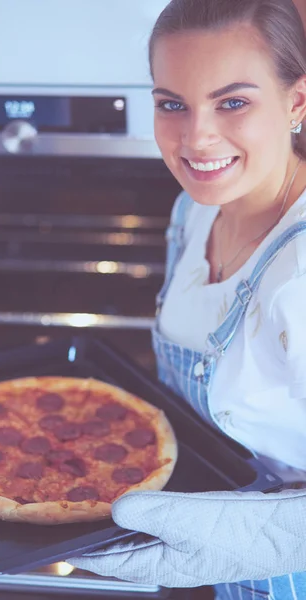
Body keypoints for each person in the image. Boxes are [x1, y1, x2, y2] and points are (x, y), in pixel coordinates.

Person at [69, 1, 306, 598]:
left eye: (233, 102)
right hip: (213, 565)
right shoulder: (195, 213)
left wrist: (268, 541)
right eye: (172, 104)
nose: (195, 138)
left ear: (297, 102)